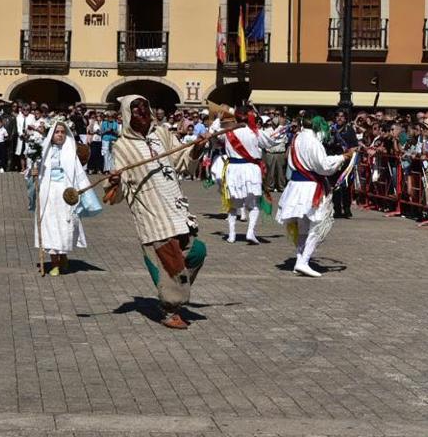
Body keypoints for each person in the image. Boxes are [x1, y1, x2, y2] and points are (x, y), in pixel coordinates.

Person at [105, 95, 207, 330]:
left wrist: (196, 149)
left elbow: (182, 161)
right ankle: (170, 309)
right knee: (171, 264)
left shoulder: (161, 134)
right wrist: (115, 180)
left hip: (177, 211)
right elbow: (117, 194)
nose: (142, 111)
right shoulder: (122, 147)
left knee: (197, 252)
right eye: (136, 108)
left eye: (145, 106)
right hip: (153, 216)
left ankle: (173, 292)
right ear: (127, 115)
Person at [276, 112, 355, 278]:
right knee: (318, 226)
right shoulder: (313, 142)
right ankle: (303, 261)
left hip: (296, 187)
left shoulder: (296, 138)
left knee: (303, 226)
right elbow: (323, 166)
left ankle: (300, 259)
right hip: (310, 187)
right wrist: (343, 157)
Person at [32, 121, 94, 276]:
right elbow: (35, 169)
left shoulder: (70, 151)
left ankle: (63, 256)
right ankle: (54, 263)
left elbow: (78, 174)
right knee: (49, 225)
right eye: (57, 132)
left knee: (64, 224)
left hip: (65, 194)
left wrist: (82, 191)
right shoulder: (44, 151)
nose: (59, 135)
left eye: (62, 132)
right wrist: (33, 172)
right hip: (48, 192)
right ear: (51, 134)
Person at [218, 105, 273, 245]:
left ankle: (232, 235)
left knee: (233, 205)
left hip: (233, 169)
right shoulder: (255, 132)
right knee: (253, 204)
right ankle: (250, 232)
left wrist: (221, 119)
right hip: (250, 169)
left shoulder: (227, 132)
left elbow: (214, 134)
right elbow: (270, 142)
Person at [329, 110, 358, 218]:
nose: (339, 118)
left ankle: (346, 208)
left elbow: (355, 145)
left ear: (345, 119)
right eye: (337, 116)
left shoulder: (349, 130)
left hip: (346, 161)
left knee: (346, 185)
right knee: (335, 186)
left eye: (342, 117)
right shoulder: (331, 130)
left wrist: (349, 153)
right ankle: (337, 209)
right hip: (335, 159)